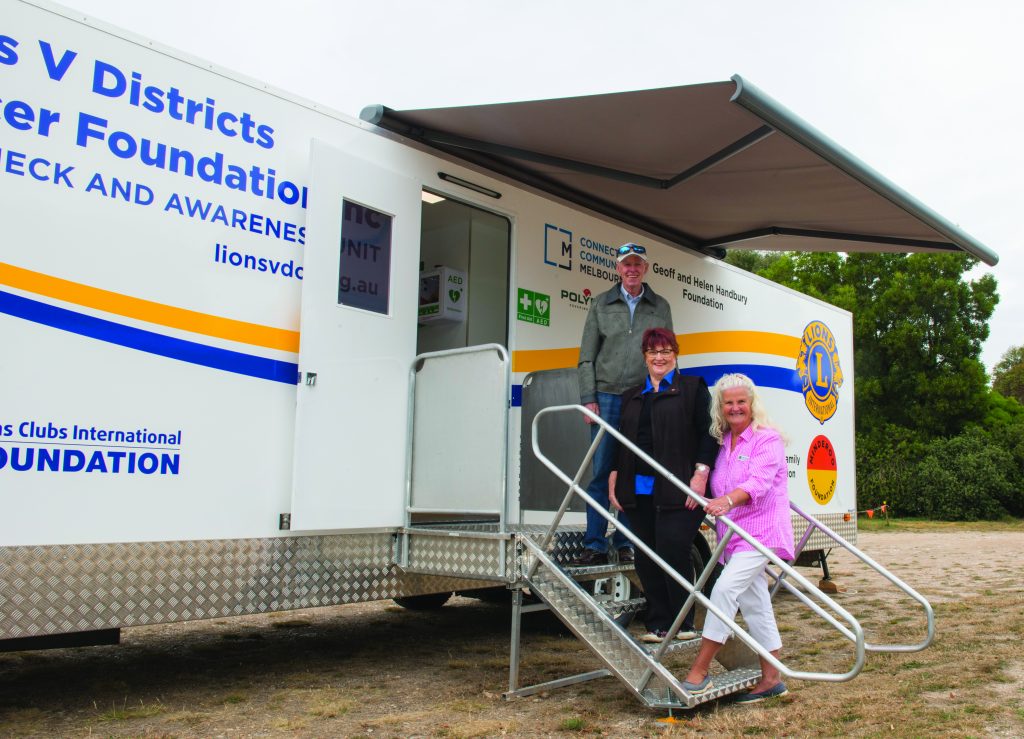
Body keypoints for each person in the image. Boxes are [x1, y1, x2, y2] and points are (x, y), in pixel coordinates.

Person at [682, 373, 795, 704]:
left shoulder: (766, 439)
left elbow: (759, 483)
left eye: (740, 402)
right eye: (728, 402)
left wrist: (727, 500)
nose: (734, 408)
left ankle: (699, 672)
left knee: (724, 590)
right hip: (733, 537)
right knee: (754, 603)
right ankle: (772, 678)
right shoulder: (722, 442)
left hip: (761, 534)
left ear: (752, 404)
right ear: (721, 407)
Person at [607, 328, 717, 642]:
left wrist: (700, 474)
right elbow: (621, 441)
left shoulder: (692, 388)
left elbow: (710, 433)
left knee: (673, 548)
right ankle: (658, 623)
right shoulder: (632, 396)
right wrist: (614, 475)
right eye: (654, 352)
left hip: (681, 488)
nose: (660, 357)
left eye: (666, 351)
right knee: (644, 555)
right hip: (638, 489)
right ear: (645, 356)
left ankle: (683, 622)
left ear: (675, 354)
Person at [573, 243, 673, 566]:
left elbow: (667, 355)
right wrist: (588, 398)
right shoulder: (601, 303)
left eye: (637, 264)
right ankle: (594, 542)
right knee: (601, 469)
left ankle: (626, 541)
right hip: (605, 396)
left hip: (641, 397)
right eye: (626, 264)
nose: (632, 269)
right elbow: (586, 356)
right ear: (618, 269)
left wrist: (666, 398)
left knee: (635, 470)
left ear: (646, 269)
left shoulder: (661, 306)